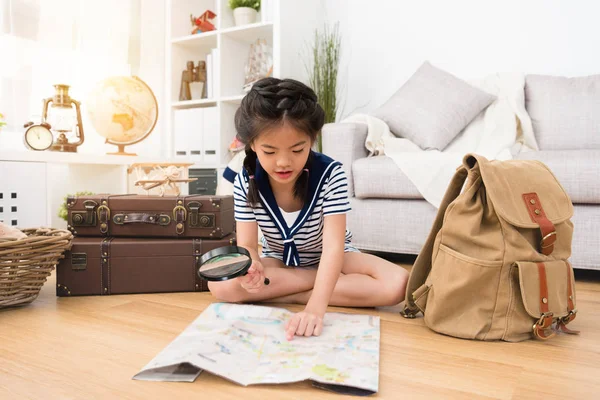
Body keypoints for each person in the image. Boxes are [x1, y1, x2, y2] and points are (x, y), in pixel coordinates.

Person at [208, 77, 408, 340]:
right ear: (252, 145)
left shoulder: (331, 174)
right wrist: (254, 267)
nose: (283, 162)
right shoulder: (246, 177)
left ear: (312, 140)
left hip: (335, 258)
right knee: (221, 286)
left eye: (297, 149)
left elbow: (334, 248)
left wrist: (315, 308)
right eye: (269, 151)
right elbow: (249, 246)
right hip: (277, 258)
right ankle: (315, 285)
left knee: (398, 284)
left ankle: (288, 292)